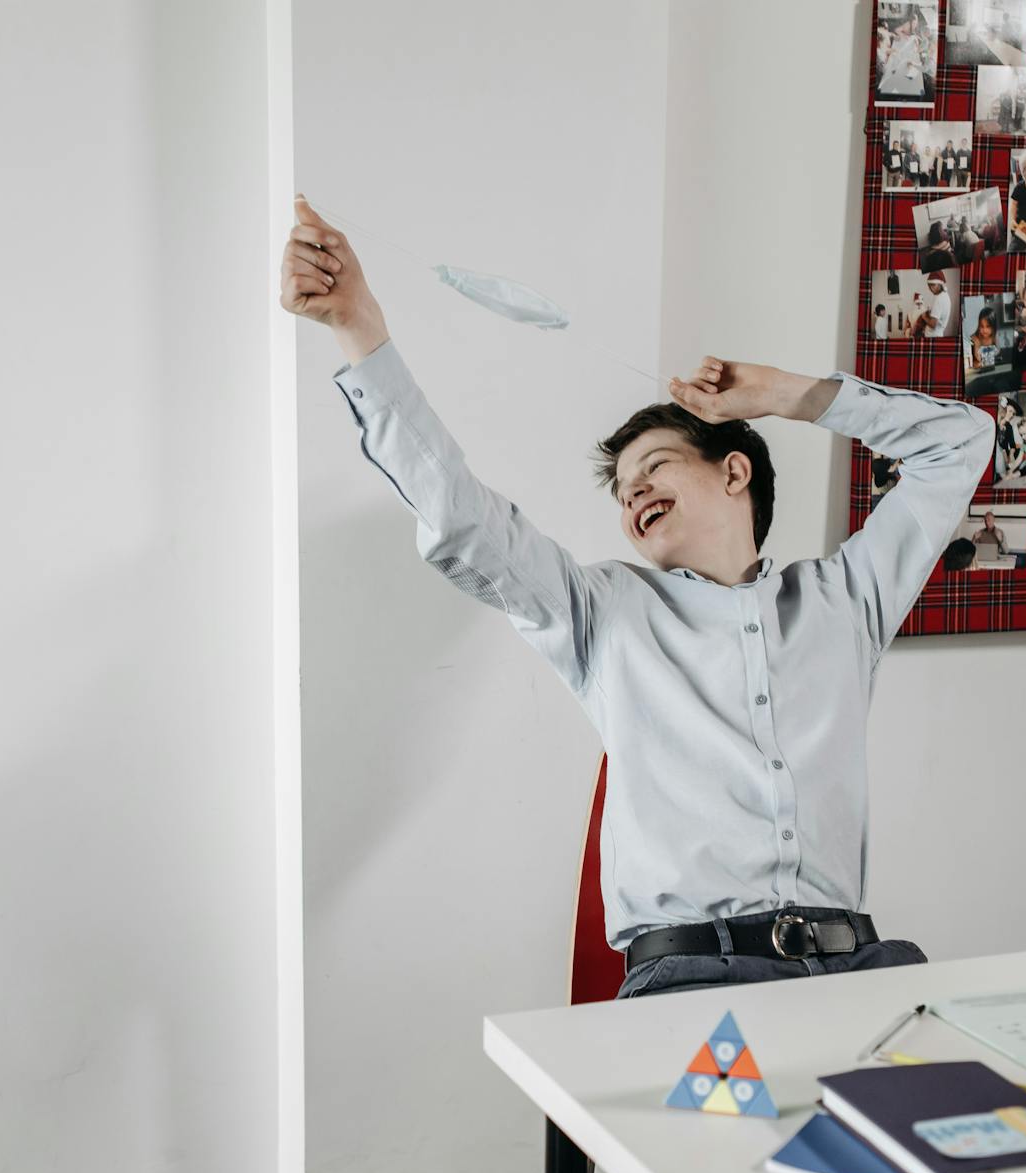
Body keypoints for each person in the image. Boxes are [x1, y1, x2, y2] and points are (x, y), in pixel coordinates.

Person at [280, 195, 989, 1022]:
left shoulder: (844, 600)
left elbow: (961, 444)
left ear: (735, 473)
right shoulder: (602, 613)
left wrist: (785, 395)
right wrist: (358, 327)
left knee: (959, 1133)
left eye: (654, 466)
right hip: (691, 987)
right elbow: (464, 518)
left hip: (859, 968)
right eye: (623, 491)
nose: (635, 493)